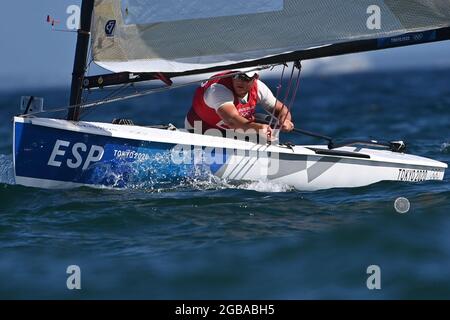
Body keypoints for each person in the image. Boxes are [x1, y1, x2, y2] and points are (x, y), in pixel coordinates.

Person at [185, 70, 295, 139]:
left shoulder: (259, 88)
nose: (240, 81)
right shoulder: (218, 89)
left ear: (255, 79)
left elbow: (281, 109)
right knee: (258, 129)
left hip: (233, 130)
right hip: (201, 128)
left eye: (245, 78)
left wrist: (285, 120)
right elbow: (232, 120)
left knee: (267, 127)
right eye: (237, 76)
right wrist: (258, 128)